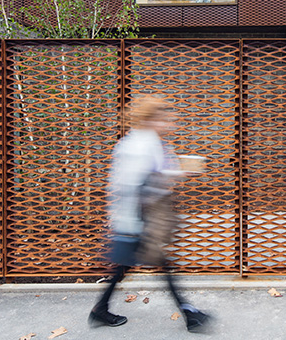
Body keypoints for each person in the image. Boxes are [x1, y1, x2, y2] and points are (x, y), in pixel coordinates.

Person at [88, 95, 211, 333]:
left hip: (143, 217)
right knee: (161, 265)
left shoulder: (148, 141)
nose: (169, 125)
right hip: (139, 218)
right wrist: (133, 223)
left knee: (125, 266)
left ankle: (100, 310)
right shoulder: (138, 145)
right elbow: (133, 185)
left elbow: (157, 173)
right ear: (150, 119)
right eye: (164, 120)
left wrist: (180, 173)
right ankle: (190, 314)